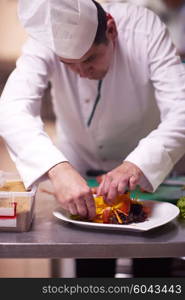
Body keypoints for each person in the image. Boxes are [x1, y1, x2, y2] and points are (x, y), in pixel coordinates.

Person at [0, 0, 185, 277]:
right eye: (68, 65)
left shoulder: (145, 29)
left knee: (152, 267)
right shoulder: (44, 42)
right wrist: (58, 169)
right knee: (91, 270)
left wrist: (135, 165)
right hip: (78, 170)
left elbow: (181, 110)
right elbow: (12, 108)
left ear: (111, 30)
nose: (81, 73)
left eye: (89, 59)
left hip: (147, 176)